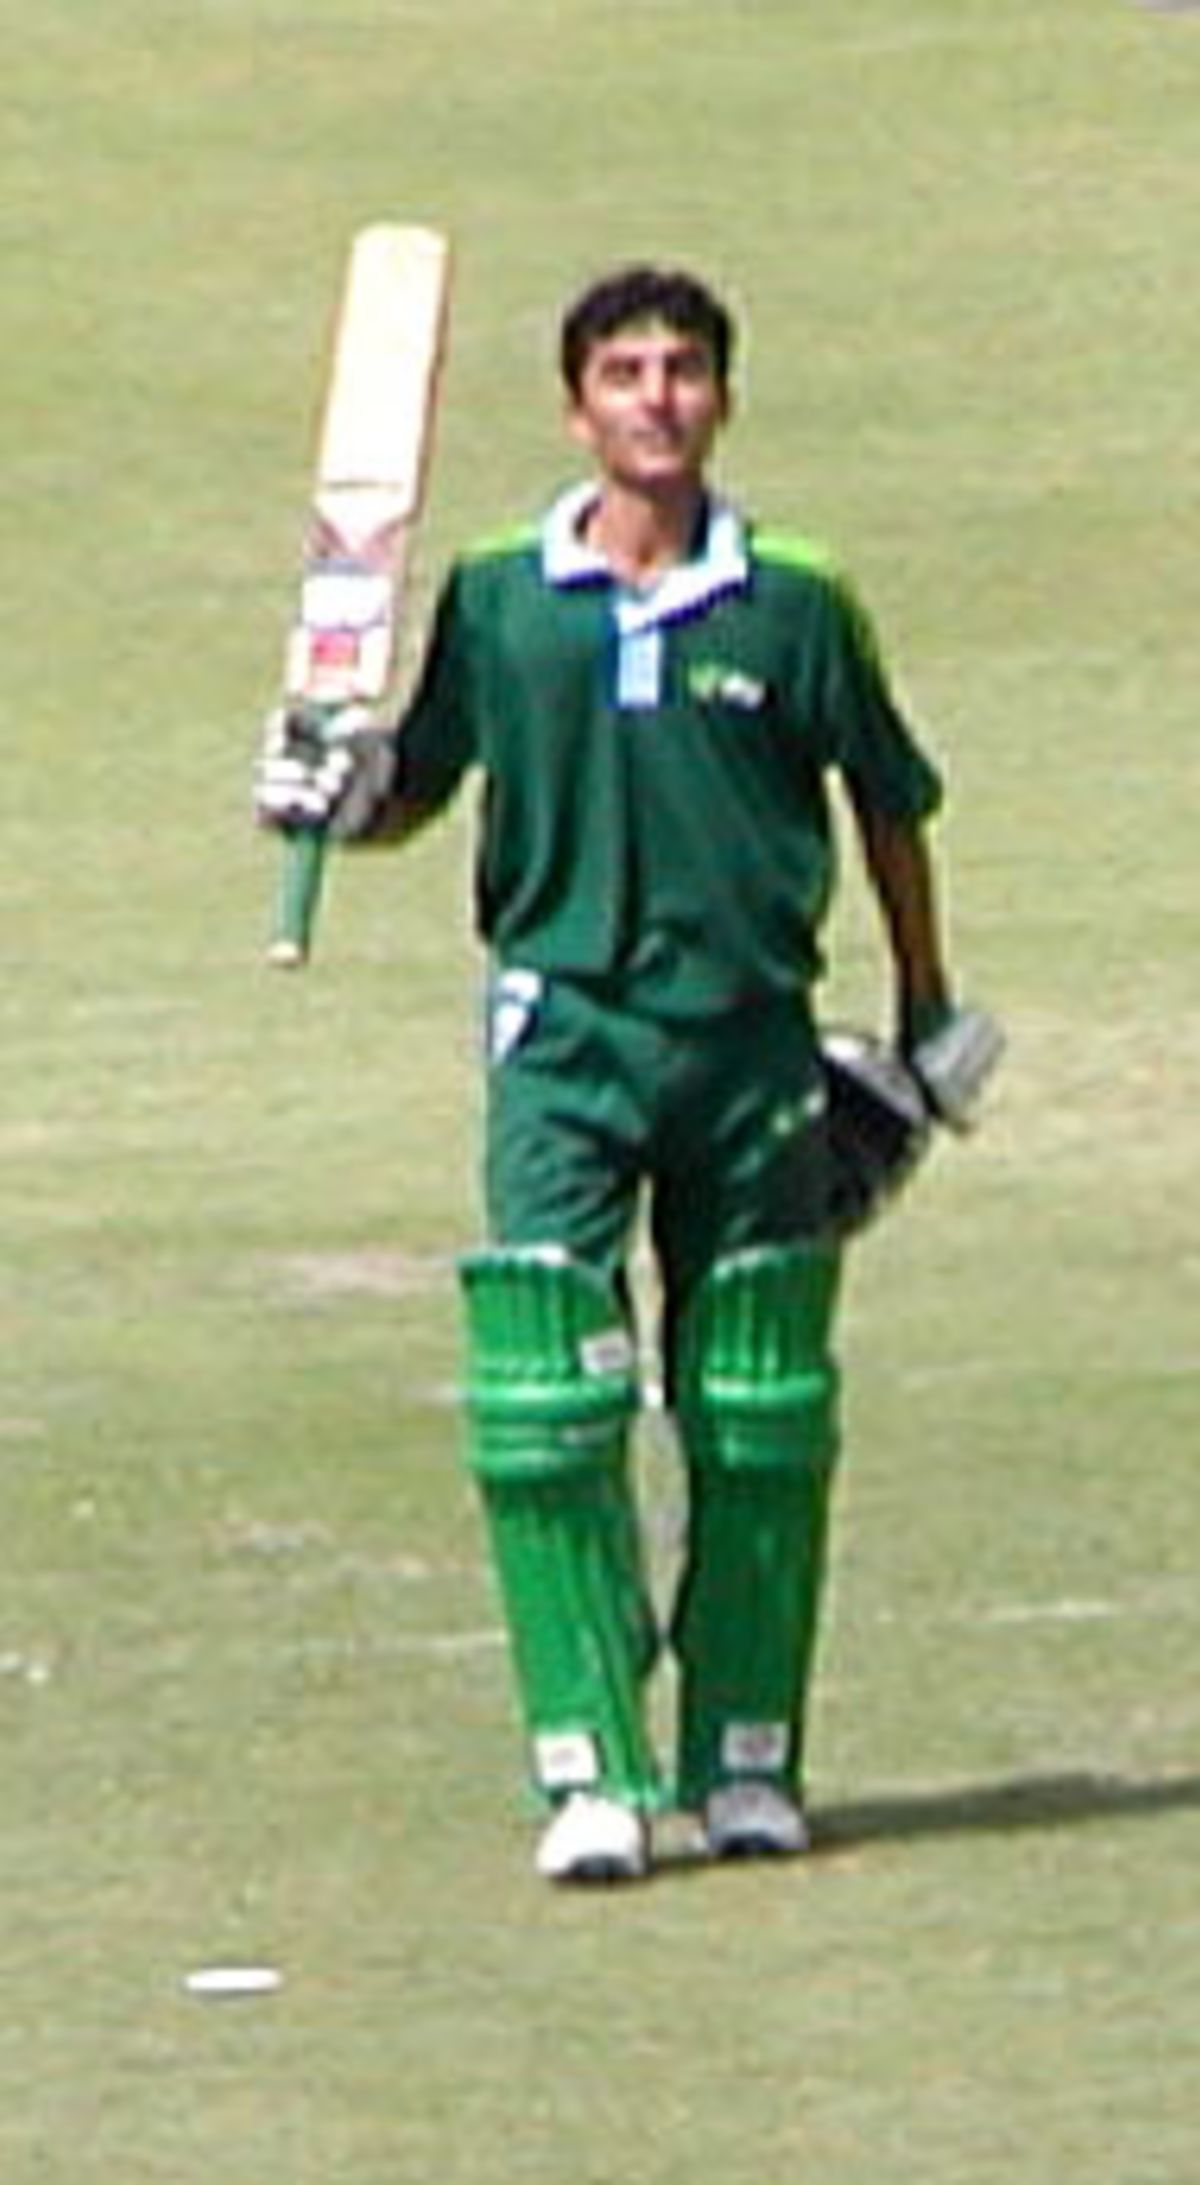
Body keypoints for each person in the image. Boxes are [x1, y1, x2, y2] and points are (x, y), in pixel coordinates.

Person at [255, 264, 998, 1885]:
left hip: (750, 1038)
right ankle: (590, 1765)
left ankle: (745, 1755)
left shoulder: (796, 597)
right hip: (564, 1030)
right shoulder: (505, 593)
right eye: (623, 373)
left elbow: (887, 803)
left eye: (682, 371)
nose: (655, 399)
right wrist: (334, 781)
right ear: (577, 405)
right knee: (547, 1394)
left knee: (758, 1400)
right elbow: (418, 784)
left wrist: (929, 1010)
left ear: (721, 397)